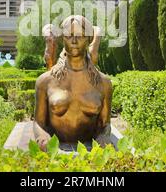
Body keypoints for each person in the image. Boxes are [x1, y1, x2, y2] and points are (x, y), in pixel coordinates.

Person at [33, 15, 112, 151]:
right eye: (68, 36)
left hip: (90, 151)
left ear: (88, 39)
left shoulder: (103, 83)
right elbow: (39, 123)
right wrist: (42, 137)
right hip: (57, 150)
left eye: (80, 36)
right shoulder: (45, 81)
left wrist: (104, 136)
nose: (74, 41)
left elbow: (105, 124)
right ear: (63, 38)